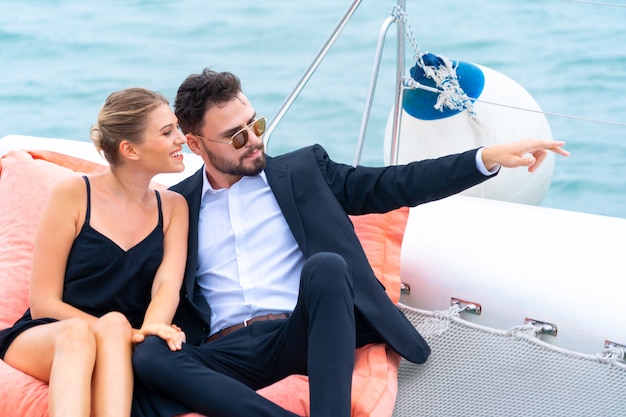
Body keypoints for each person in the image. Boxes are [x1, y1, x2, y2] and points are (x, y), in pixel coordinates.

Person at [131, 69, 570, 417]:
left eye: (256, 124)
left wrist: (486, 158)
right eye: (237, 135)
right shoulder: (176, 204)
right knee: (149, 358)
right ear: (194, 144)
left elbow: (392, 185)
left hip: (300, 333)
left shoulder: (303, 170)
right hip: (223, 351)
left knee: (326, 266)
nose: (256, 140)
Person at [0, 88, 189, 417]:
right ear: (130, 149)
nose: (181, 139)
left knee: (113, 325)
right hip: (48, 333)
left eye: (176, 127)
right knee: (81, 334)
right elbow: (44, 302)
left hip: (120, 340)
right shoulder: (73, 193)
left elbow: (166, 286)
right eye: (168, 131)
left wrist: (147, 330)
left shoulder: (173, 207)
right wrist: (126, 333)